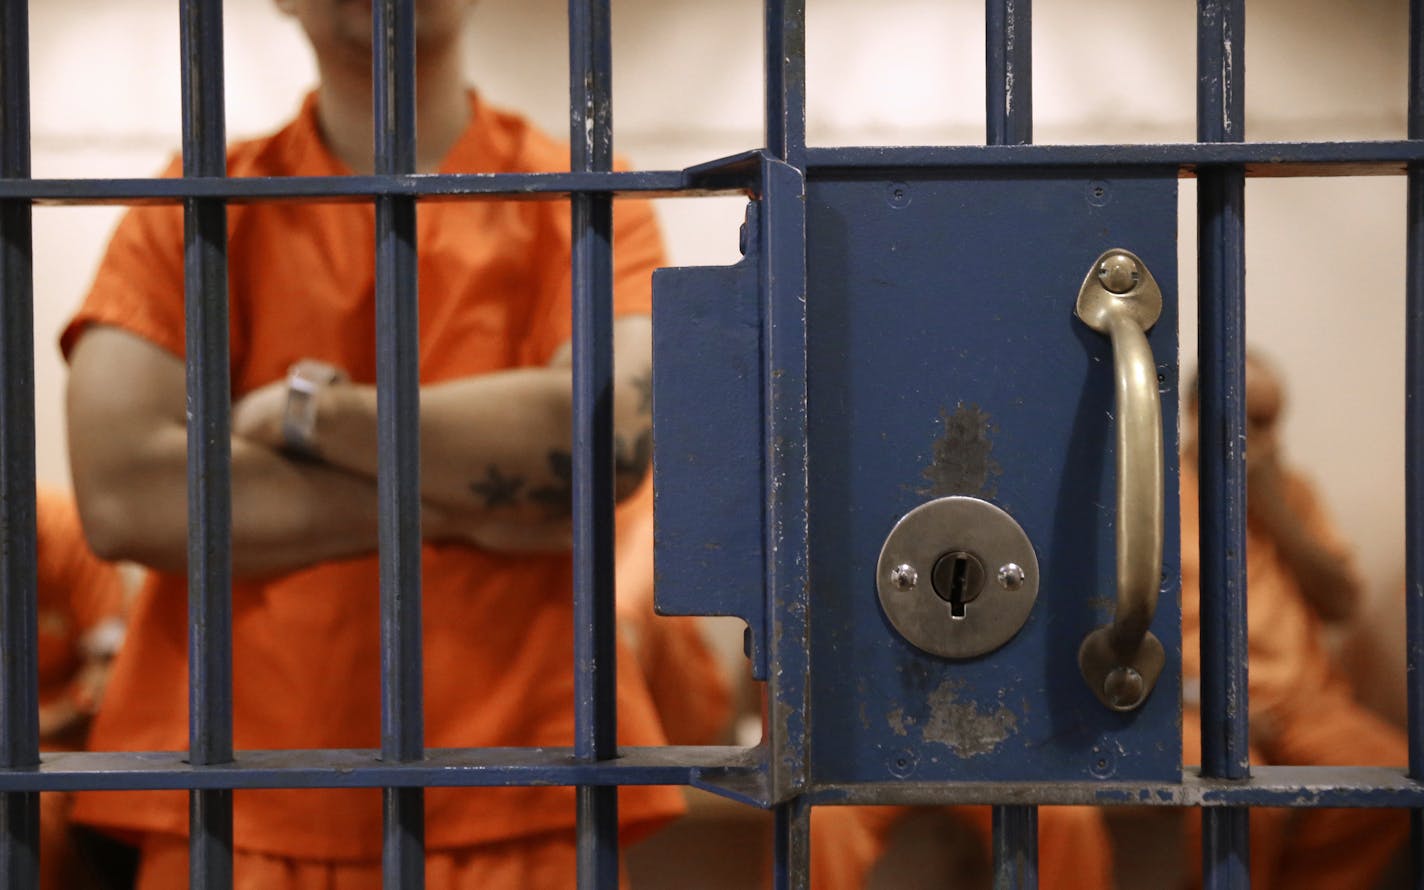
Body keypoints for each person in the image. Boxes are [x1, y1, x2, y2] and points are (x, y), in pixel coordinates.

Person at [61, 0, 684, 885]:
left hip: (525, 784)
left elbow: (609, 441)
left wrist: (315, 416)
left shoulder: (586, 191)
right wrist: (479, 499)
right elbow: (125, 496)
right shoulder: (193, 206)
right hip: (237, 799)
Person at [1179, 353, 1408, 890]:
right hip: (1192, 704)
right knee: (1241, 810)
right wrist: (1204, 701)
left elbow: (1341, 603)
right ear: (1193, 412)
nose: (1267, 440)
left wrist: (1274, 508)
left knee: (1386, 778)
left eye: (1273, 421)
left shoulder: (1291, 491)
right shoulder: (1158, 492)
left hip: (1303, 701)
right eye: (1251, 420)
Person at [32, 487, 128, 890]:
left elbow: (107, 672)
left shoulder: (69, 529)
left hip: (49, 747)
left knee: (27, 810)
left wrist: (42, 725)